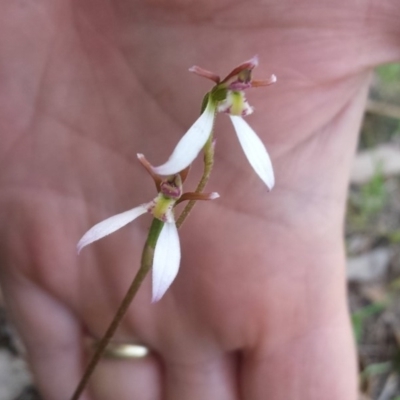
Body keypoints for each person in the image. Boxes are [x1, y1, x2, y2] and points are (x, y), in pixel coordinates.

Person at [0, 1, 399, 399]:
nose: (241, 92)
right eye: (234, 89)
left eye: (243, 89)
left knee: (156, 260)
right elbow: (174, 172)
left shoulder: (218, 133)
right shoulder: (196, 139)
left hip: (183, 183)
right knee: (148, 264)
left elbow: (194, 166)